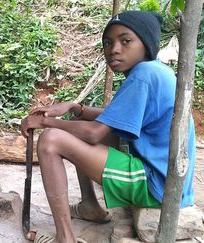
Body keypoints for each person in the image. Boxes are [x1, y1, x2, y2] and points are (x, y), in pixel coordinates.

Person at [20, 11, 196, 243]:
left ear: (146, 44)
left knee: (51, 139)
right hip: (167, 180)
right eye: (108, 42)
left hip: (157, 185)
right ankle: (90, 207)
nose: (114, 49)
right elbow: (115, 117)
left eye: (126, 41)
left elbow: (94, 134)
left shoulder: (143, 75)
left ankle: (65, 238)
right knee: (77, 125)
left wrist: (45, 122)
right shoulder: (155, 71)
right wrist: (76, 108)